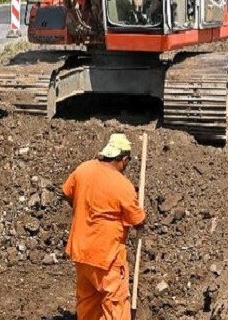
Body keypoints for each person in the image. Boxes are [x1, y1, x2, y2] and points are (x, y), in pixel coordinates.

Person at [62, 133, 146, 320]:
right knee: (115, 304)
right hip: (107, 258)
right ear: (124, 159)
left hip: (82, 252)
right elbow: (137, 219)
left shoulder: (83, 169)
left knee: (88, 302)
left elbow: (68, 192)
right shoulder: (122, 185)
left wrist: (83, 208)